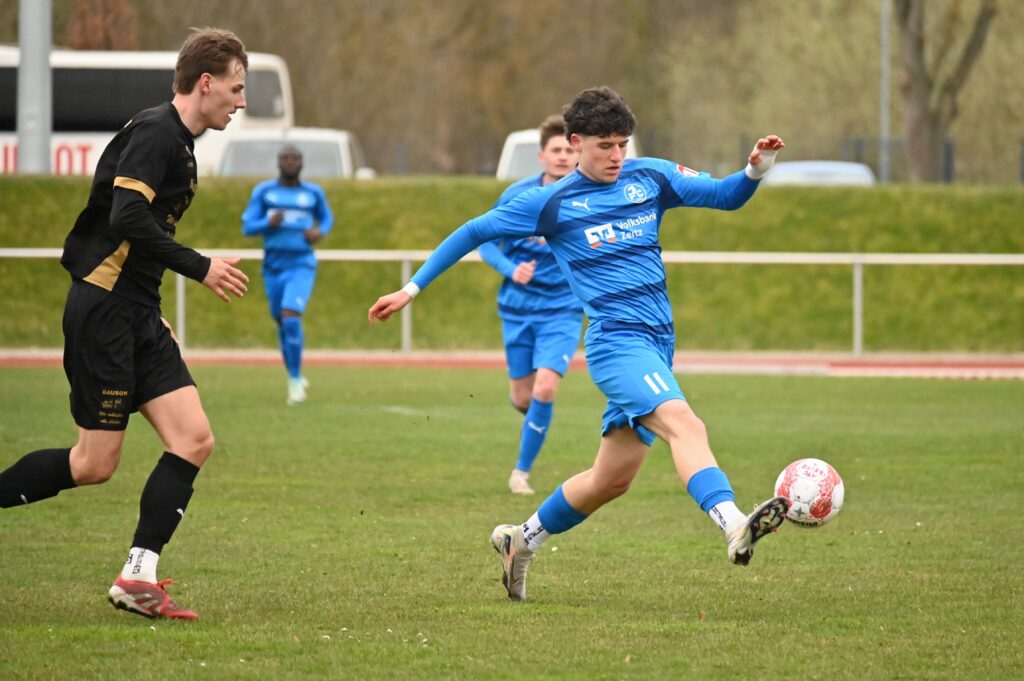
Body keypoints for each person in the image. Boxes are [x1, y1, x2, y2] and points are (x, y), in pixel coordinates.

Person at [369, 86, 789, 602]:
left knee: (610, 480)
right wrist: (410, 289)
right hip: (617, 345)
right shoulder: (552, 203)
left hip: (658, 344)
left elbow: (725, 196)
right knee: (687, 424)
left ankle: (520, 540)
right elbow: (474, 231)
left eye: (622, 144)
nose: (616, 156)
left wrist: (755, 169)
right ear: (576, 143)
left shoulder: (651, 176)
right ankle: (732, 523)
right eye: (604, 145)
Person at [0, 27, 250, 620]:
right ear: (206, 83)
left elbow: (139, 240)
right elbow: (128, 216)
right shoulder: (157, 132)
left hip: (136, 313)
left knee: (193, 440)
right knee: (94, 465)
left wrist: (153, 309)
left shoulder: (180, 142)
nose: (242, 102)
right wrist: (200, 267)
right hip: (105, 313)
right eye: (237, 89)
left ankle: (138, 576)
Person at [478, 115, 583, 495]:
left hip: (563, 310)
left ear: (578, 153)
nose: (563, 156)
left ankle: (520, 473)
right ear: (542, 156)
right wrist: (511, 269)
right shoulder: (518, 195)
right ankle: (537, 418)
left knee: (545, 389)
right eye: (555, 150)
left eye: (569, 150)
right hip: (517, 310)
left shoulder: (587, 197)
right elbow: (485, 240)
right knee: (523, 397)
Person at [241, 145, 333, 404]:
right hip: (273, 266)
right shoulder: (264, 191)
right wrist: (267, 223)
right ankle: (294, 373)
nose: (290, 162)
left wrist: (319, 232)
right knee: (282, 321)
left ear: (301, 163)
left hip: (301, 264)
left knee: (291, 317)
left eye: (295, 158)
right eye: (285, 158)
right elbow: (247, 227)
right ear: (278, 162)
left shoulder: (313, 192)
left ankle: (294, 380)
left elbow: (327, 219)